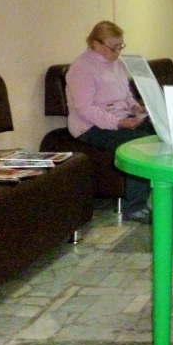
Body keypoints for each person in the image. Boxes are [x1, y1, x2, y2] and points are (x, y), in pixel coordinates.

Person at [66, 21, 155, 223]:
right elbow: (85, 109)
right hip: (91, 127)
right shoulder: (81, 68)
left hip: (122, 117)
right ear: (96, 44)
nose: (117, 52)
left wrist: (136, 108)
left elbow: (126, 94)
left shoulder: (117, 63)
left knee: (163, 132)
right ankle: (135, 207)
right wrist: (119, 123)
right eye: (113, 47)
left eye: (120, 46)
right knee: (139, 145)